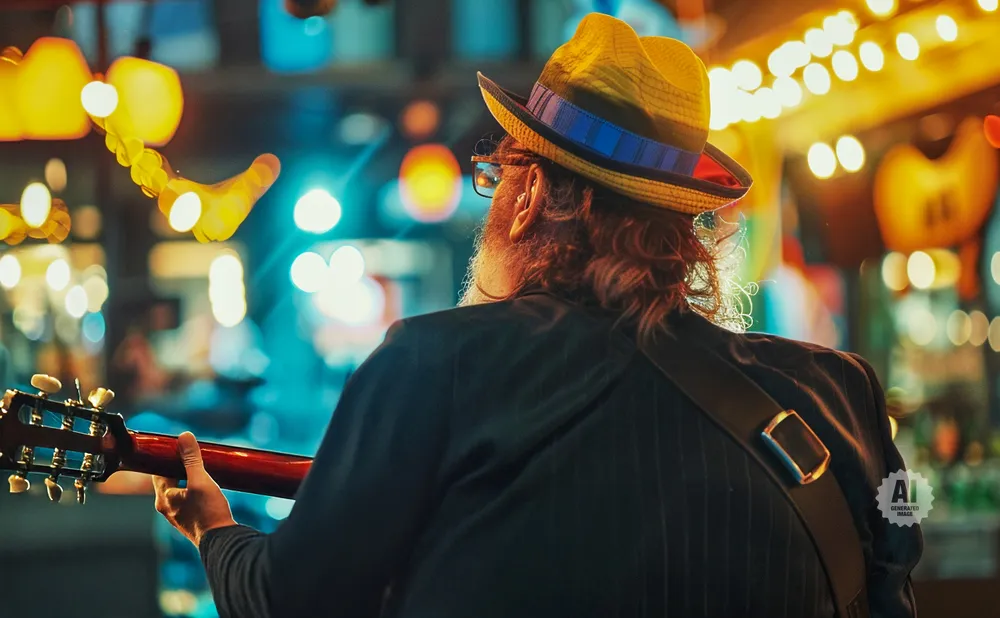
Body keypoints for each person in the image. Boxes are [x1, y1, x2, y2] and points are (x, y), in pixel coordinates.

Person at [152, 13, 921, 618]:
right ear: (684, 230)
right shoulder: (840, 396)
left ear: (531, 200)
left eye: (500, 175)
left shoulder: (433, 367)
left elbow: (296, 602)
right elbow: (896, 563)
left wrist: (216, 534)